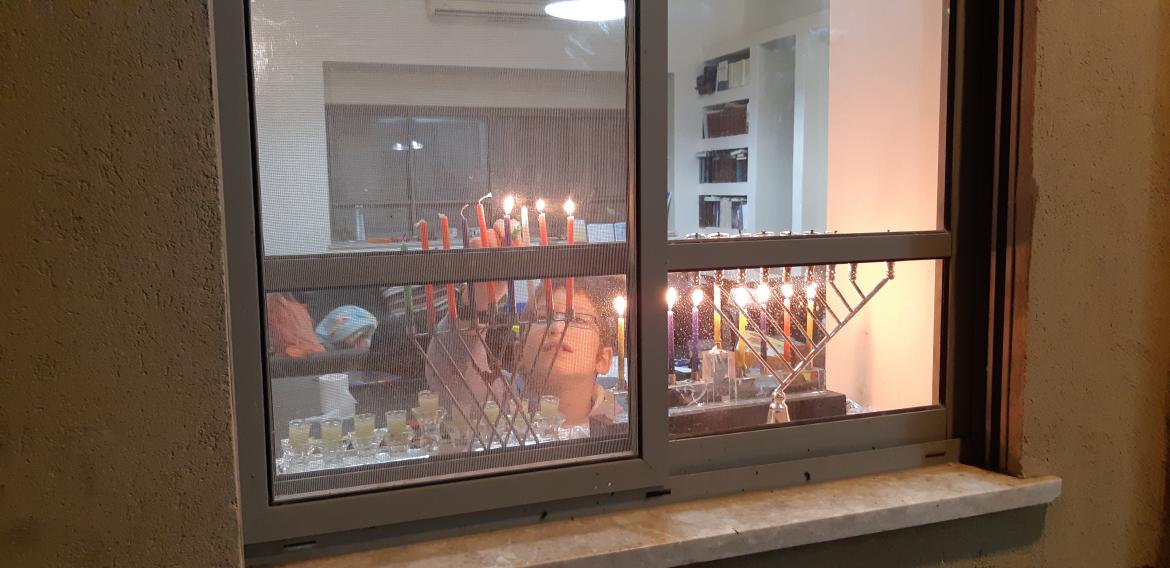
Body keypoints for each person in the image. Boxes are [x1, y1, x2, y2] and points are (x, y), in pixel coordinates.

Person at [422, 219, 622, 432]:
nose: (557, 328)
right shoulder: (495, 406)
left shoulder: (627, 420)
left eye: (578, 319)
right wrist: (477, 300)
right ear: (519, 353)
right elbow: (452, 367)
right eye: (542, 317)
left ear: (603, 359)